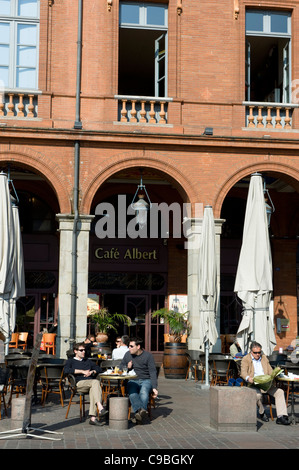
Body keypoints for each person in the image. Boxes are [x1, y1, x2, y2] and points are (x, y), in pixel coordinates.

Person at [240, 341, 290, 425]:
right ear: (251, 352)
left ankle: (281, 416)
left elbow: (270, 370)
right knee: (258, 395)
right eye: (255, 353)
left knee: (280, 392)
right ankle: (262, 412)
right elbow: (243, 373)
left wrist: (274, 373)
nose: (257, 354)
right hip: (254, 384)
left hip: (266, 384)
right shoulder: (246, 359)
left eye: (259, 352)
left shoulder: (264, 358)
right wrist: (249, 378)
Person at [64, 342, 108, 426]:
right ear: (75, 351)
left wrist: (92, 371)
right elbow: (66, 370)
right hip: (79, 384)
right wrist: (81, 371)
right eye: (81, 350)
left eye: (84, 350)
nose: (83, 352)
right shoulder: (71, 361)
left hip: (90, 384)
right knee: (95, 382)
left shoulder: (87, 361)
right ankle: (100, 407)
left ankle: (93, 418)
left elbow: (99, 368)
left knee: (93, 388)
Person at [119, 336, 158, 424]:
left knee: (144, 392)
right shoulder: (127, 354)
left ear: (138, 347)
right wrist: (127, 367)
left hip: (146, 379)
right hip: (132, 380)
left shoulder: (148, 356)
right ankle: (141, 412)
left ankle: (139, 415)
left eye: (131, 346)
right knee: (132, 394)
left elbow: (153, 372)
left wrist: (154, 387)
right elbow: (121, 367)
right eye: (129, 346)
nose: (129, 348)